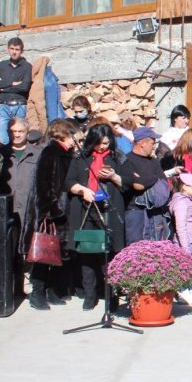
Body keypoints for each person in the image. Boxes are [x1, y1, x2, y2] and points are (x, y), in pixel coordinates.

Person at [65, 124, 126, 310]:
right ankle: (90, 295)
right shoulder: (81, 158)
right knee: (88, 253)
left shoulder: (119, 158)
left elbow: (128, 184)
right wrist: (83, 190)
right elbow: (69, 182)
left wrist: (114, 177)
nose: (102, 147)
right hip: (86, 210)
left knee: (110, 254)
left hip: (109, 210)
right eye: (99, 143)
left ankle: (111, 295)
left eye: (106, 143)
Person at [32, 118, 77, 309]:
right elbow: (44, 182)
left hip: (65, 210)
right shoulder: (51, 152)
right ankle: (37, 292)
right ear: (64, 134)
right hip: (52, 212)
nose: (75, 139)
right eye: (72, 134)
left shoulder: (69, 154)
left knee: (58, 253)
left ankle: (52, 290)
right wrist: (52, 208)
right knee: (44, 252)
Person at [0, 118, 42, 278]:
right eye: (13, 131)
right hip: (7, 209)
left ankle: (28, 282)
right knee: (9, 248)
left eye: (20, 131)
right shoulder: (0, 153)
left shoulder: (38, 153)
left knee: (29, 247)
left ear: (27, 133)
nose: (16, 135)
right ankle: (11, 285)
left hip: (30, 209)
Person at [118, 127, 172, 244]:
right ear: (142, 143)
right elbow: (138, 185)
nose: (154, 146)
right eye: (152, 143)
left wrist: (143, 179)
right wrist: (153, 178)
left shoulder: (154, 162)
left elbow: (163, 184)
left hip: (155, 213)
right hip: (135, 212)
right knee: (135, 249)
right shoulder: (127, 160)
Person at [170, 172, 192, 305]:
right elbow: (180, 227)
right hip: (186, 244)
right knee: (184, 268)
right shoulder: (181, 203)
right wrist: (185, 247)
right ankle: (182, 291)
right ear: (184, 186)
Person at [0, 37, 32, 146]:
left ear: (21, 51)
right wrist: (13, 83)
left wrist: (3, 85)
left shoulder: (27, 66)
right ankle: (4, 160)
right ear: (8, 49)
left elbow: (25, 87)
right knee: (2, 139)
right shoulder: (1, 65)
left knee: (18, 138)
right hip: (3, 105)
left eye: (17, 49)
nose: (14, 52)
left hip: (19, 106)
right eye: (12, 49)